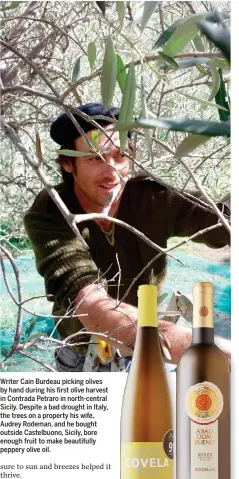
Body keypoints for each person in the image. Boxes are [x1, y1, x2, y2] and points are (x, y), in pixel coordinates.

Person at [24, 103, 230, 372]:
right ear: (68, 164)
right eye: (96, 158)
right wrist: (196, 347)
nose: (112, 173)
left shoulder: (150, 197)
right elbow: (90, 304)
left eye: (121, 155)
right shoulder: (50, 213)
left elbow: (220, 219)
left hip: (146, 337)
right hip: (80, 348)